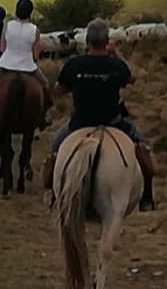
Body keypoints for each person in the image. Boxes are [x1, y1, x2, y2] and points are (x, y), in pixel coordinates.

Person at [47, 19, 155, 211]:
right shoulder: (116, 65)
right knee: (143, 148)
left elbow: (58, 90)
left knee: (55, 147)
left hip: (79, 124)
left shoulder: (74, 64)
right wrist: (117, 53)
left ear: (87, 40)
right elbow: (132, 79)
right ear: (107, 41)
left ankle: (54, 194)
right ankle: (147, 196)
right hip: (113, 123)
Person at [0, 0, 52, 127]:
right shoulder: (35, 30)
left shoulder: (7, 25)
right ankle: (45, 114)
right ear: (30, 12)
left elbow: (2, 49)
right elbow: (35, 56)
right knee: (46, 84)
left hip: (6, 64)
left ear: (17, 11)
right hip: (28, 66)